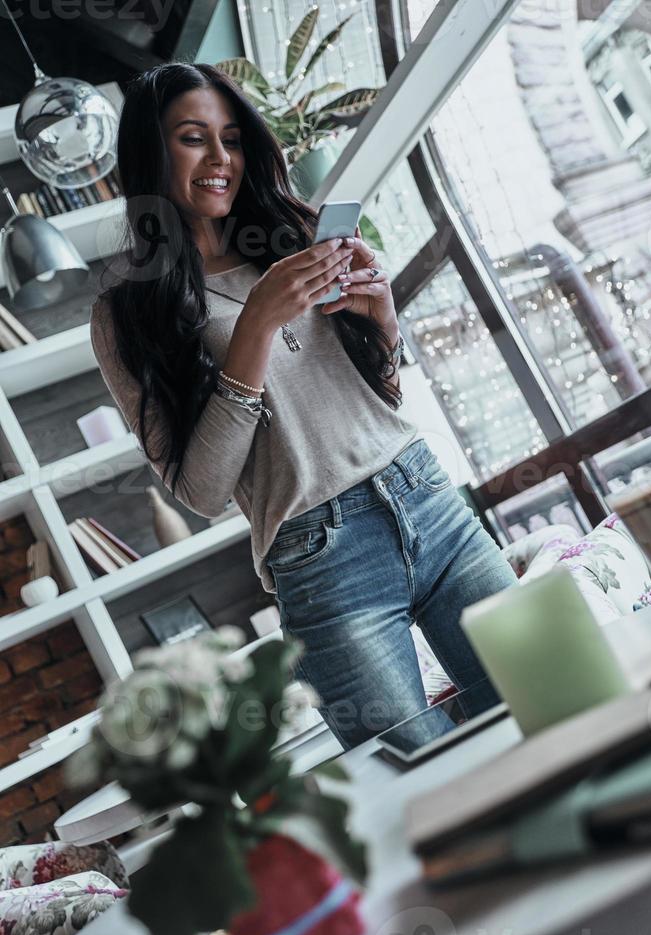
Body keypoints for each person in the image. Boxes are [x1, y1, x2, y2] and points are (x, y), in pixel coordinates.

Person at [90, 62, 518, 751]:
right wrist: (253, 329)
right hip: (320, 557)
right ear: (150, 153)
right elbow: (199, 491)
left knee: (544, 696)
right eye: (194, 138)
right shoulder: (128, 311)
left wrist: (381, 320)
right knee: (426, 764)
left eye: (231, 137)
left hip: (426, 495)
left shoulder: (299, 231)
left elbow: (376, 398)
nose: (221, 158)